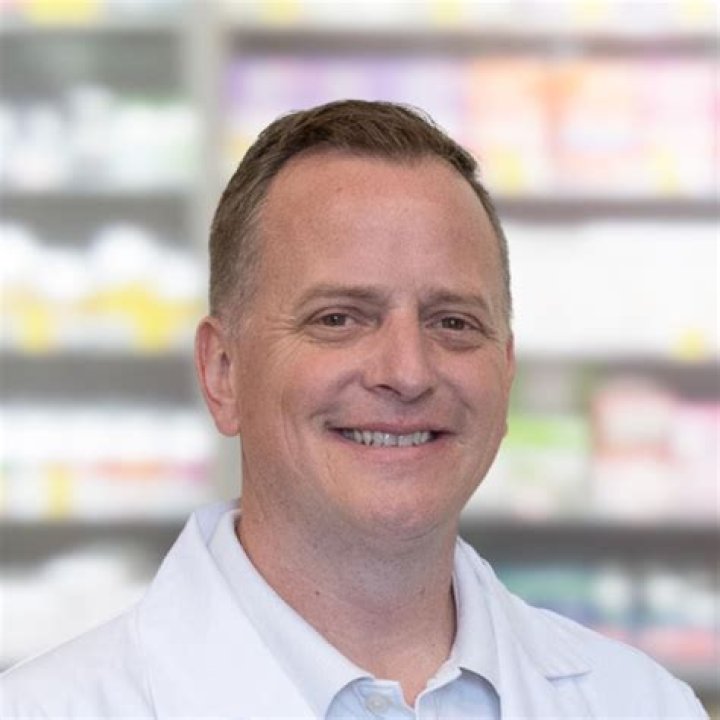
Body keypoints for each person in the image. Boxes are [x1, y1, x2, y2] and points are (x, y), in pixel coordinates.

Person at [0, 100, 708, 719]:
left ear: (507, 369)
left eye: (453, 322)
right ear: (223, 373)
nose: (407, 372)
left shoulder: (643, 704)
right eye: (338, 318)